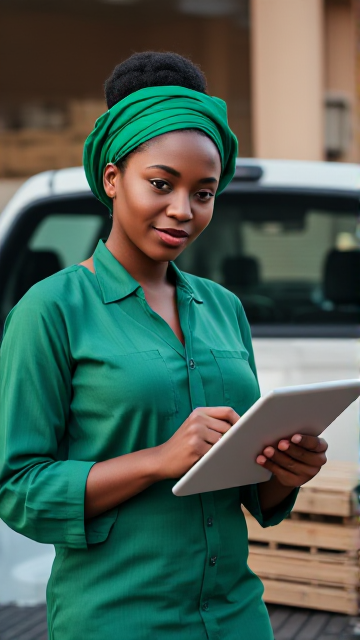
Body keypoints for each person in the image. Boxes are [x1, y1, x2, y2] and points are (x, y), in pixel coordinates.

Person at [0, 52, 328, 640]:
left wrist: (287, 471)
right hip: (118, 620)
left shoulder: (224, 308)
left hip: (235, 617)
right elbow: (19, 489)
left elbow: (248, 488)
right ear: (111, 178)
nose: (183, 209)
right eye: (161, 184)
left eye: (204, 193)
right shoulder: (49, 311)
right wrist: (157, 460)